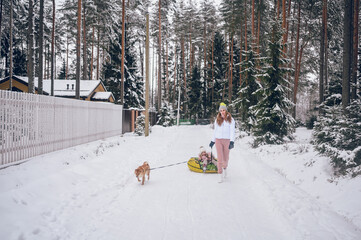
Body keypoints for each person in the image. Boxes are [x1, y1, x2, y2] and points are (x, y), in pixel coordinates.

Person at [209, 102, 235, 183]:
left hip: (227, 141)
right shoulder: (217, 119)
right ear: (219, 111)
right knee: (220, 158)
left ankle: (225, 168)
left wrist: (232, 142)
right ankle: (220, 174)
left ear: (226, 110)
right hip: (218, 140)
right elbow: (215, 131)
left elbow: (232, 131)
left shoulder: (231, 119)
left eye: (223, 110)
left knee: (226, 158)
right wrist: (212, 141)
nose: (222, 112)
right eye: (221, 110)